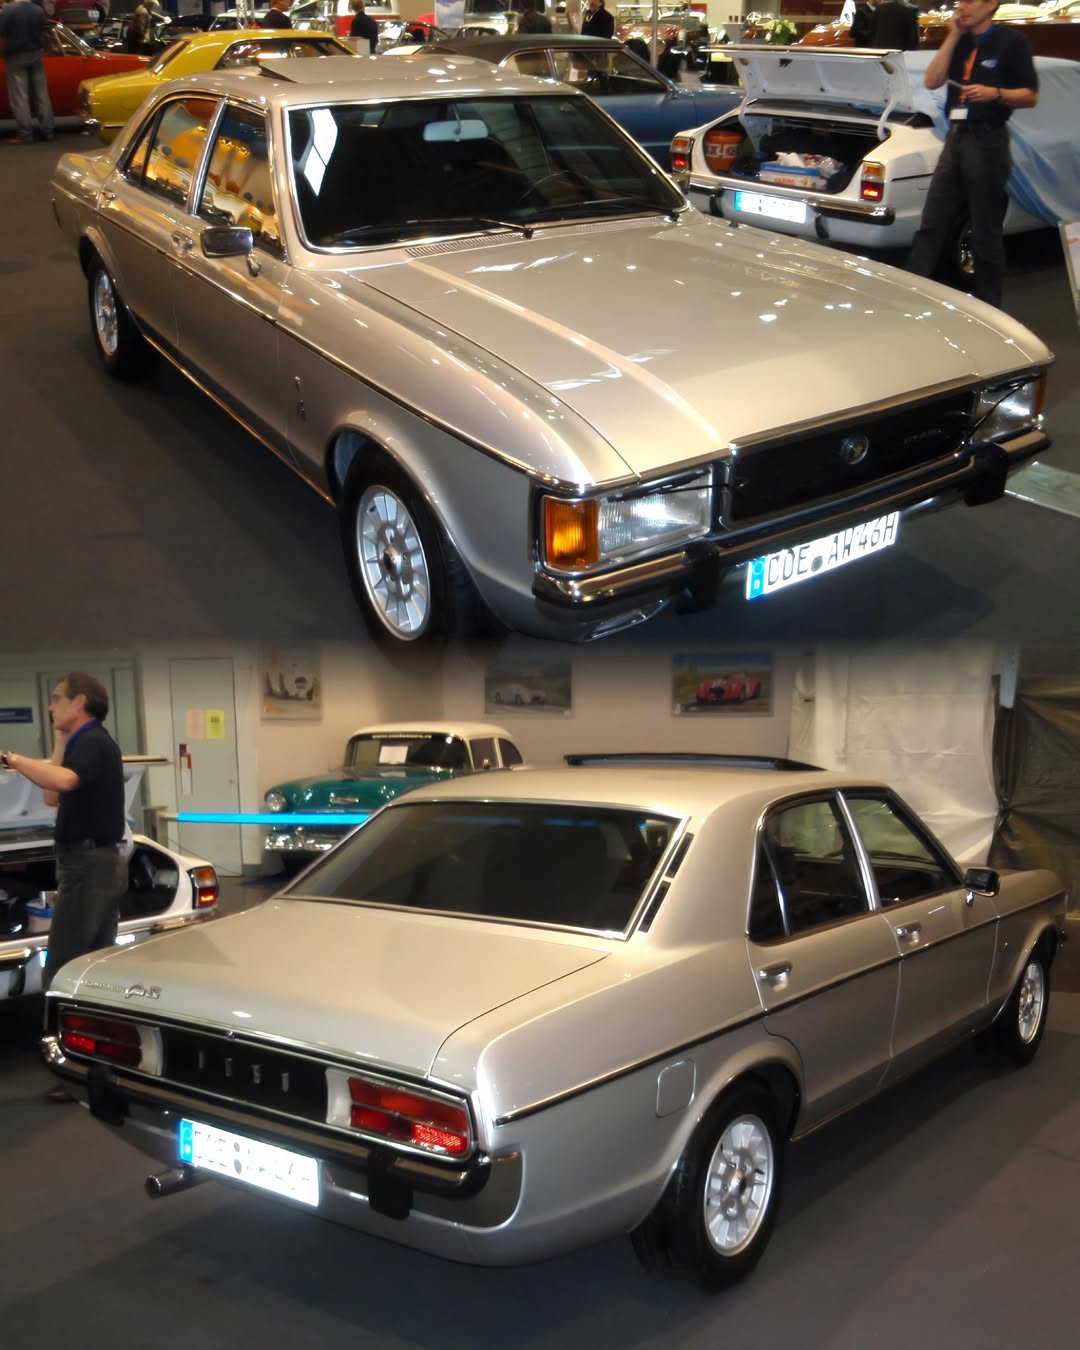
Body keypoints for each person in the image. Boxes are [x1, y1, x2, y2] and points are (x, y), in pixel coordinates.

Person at [0, 673, 126, 1102]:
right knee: (92, 966)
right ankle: (96, 1063)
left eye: (57, 699)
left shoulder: (91, 742)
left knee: (64, 969)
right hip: (96, 863)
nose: (51, 706)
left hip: (88, 865)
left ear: (80, 702)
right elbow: (53, 797)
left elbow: (66, 783)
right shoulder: (83, 742)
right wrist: (58, 739)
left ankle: (72, 1066)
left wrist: (12, 759)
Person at [906, 0, 1037, 309]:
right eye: (960, 2)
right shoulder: (959, 41)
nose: (962, 6)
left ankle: (989, 305)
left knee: (984, 228)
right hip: (955, 136)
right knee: (932, 222)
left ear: (990, 5)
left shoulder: (1012, 42)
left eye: (969, 1)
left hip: (988, 138)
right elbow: (932, 80)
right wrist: (953, 35)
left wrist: (997, 94)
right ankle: (911, 295)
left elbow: (1030, 95)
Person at [0, 0, 56, 145]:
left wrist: (1, 53)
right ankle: (48, 131)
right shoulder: (38, 10)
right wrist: (46, 49)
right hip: (36, 54)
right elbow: (45, 34)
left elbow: (2, 37)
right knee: (41, 94)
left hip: (15, 56)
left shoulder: (8, 11)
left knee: (20, 96)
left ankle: (25, 133)